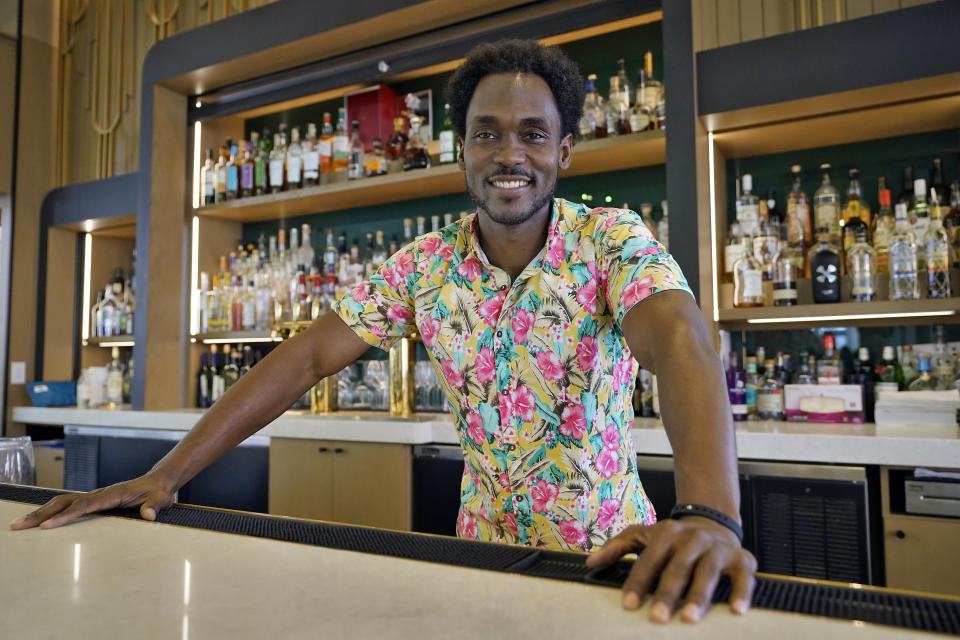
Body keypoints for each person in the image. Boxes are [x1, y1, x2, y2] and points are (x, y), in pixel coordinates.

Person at [12, 39, 755, 623]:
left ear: (563, 151)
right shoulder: (425, 265)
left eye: (533, 135)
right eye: (486, 134)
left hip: (612, 559)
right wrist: (164, 476)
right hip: (479, 560)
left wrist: (711, 515)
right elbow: (304, 358)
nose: (509, 155)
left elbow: (681, 340)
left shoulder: (611, 240)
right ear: (462, 150)